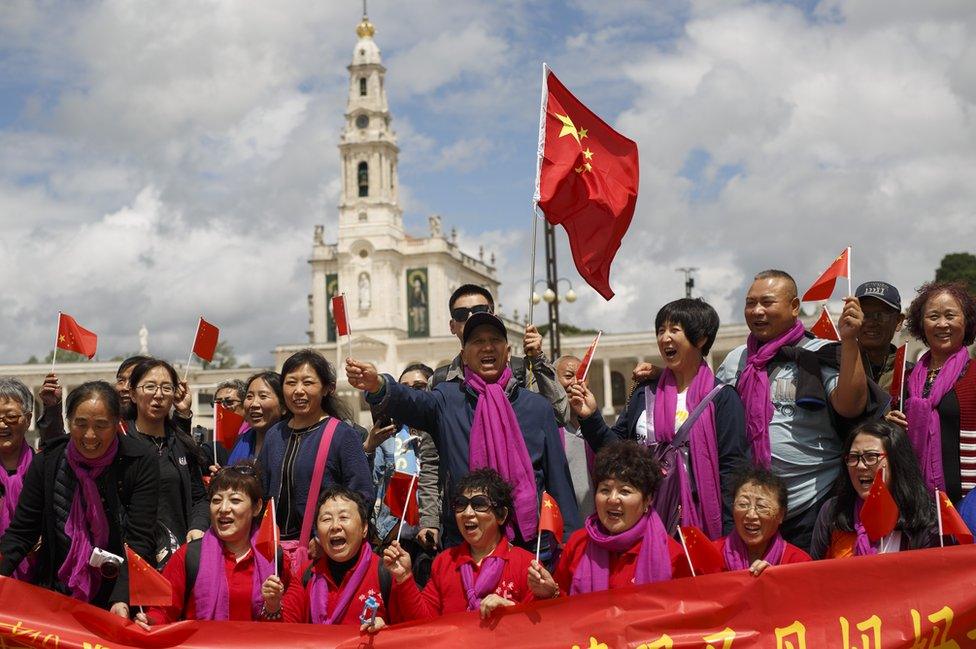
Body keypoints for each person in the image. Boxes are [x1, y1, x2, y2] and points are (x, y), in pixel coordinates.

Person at [346, 312, 580, 551]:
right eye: (478, 341)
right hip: (464, 547)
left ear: (508, 352)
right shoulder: (447, 400)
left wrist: (571, 545)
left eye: (495, 340)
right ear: (463, 356)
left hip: (528, 548)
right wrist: (378, 385)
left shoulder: (537, 408)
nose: (487, 347)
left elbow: (559, 482)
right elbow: (411, 401)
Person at [715, 269, 872, 551]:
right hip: (754, 511)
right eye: (751, 303)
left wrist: (850, 342)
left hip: (811, 505)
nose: (757, 311)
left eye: (767, 302)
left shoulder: (820, 353)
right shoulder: (736, 361)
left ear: (794, 307)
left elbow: (851, 406)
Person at [570, 298, 749, 538]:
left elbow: (732, 472)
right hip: (642, 522)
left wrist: (730, 537)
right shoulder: (646, 392)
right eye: (661, 330)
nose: (665, 338)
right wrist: (590, 417)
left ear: (701, 339)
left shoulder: (722, 399)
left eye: (675, 330)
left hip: (698, 525)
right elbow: (617, 454)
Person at [0, 381, 158, 618]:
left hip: (117, 594)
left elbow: (140, 541)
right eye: (80, 424)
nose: (90, 435)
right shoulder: (47, 462)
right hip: (58, 593)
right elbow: (22, 533)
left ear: (117, 424)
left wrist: (122, 599)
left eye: (101, 425)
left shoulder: (139, 460)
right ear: (68, 422)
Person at [258, 350, 374, 572]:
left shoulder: (342, 435)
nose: (298, 390)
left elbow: (362, 495)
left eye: (308, 382)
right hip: (274, 555)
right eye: (291, 382)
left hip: (324, 555)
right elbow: (262, 492)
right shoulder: (274, 435)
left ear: (327, 388)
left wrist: (325, 537)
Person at [527, 441, 684, 598]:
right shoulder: (578, 544)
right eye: (605, 490)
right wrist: (549, 594)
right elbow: (562, 610)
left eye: (625, 491)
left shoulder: (671, 554)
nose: (612, 499)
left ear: (647, 500)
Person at [136, 462, 286, 624]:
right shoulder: (189, 556)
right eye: (216, 500)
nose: (223, 508)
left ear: (256, 507)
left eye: (235, 500)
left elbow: (293, 625)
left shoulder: (275, 558)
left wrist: (273, 608)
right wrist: (150, 621)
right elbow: (162, 611)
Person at [383, 468, 535, 619]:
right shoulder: (445, 562)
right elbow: (425, 622)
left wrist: (511, 609)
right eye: (461, 504)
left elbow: (543, 625)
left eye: (479, 504)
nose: (467, 513)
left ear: (501, 515)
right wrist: (404, 577)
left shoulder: (526, 565)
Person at [429, 284, 570, 426]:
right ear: (452, 326)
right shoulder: (440, 380)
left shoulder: (520, 371)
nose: (471, 316)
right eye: (461, 314)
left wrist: (538, 359)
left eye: (479, 310)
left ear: (494, 317)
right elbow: (429, 443)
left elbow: (559, 415)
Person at [886, 281, 976, 503]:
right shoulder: (906, 378)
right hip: (915, 504)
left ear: (966, 322)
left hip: (967, 506)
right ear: (921, 324)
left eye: (950, 315)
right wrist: (890, 425)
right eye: (934, 316)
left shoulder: (974, 374)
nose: (942, 324)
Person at [280, 487, 407, 631]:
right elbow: (284, 632)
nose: (335, 526)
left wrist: (386, 631)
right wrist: (272, 608)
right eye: (326, 519)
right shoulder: (307, 574)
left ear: (364, 528)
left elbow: (415, 633)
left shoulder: (387, 573)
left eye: (344, 517)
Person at [811, 421, 940, 559]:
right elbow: (815, 573)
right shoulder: (832, 511)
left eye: (871, 457)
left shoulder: (924, 517)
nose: (860, 466)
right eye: (853, 458)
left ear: (896, 462)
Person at [127, 358, 209, 566]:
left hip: (178, 558)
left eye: (166, 388)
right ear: (133, 394)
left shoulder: (181, 444)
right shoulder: (120, 442)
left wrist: (198, 525)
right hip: (132, 558)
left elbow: (200, 497)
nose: (158, 395)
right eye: (150, 387)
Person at [370, 364, 441, 558]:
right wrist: (368, 447)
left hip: (436, 536)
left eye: (418, 387)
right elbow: (372, 485)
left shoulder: (443, 434)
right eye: (404, 387)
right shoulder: (387, 439)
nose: (410, 393)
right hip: (395, 538)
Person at [716, 468, 810, 576]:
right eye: (743, 504)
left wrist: (774, 581)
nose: (751, 515)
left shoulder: (799, 563)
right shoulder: (709, 555)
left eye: (762, 506)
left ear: (781, 515)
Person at [0, 378, 37, 578]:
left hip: (37, 583)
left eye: (11, 417)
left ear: (28, 419)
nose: (2, 424)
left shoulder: (44, 471)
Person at [554, 355, 595, 519]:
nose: (576, 383)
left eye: (582, 377)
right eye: (569, 376)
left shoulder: (596, 429)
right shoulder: (550, 429)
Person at [854, 282, 910, 397]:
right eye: (863, 315)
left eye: (880, 315)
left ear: (898, 322)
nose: (870, 323)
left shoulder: (912, 374)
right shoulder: (836, 366)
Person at [227, 372, 286, 464]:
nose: (254, 404)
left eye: (263, 396)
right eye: (249, 397)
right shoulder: (235, 443)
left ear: (283, 406)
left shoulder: (292, 445)